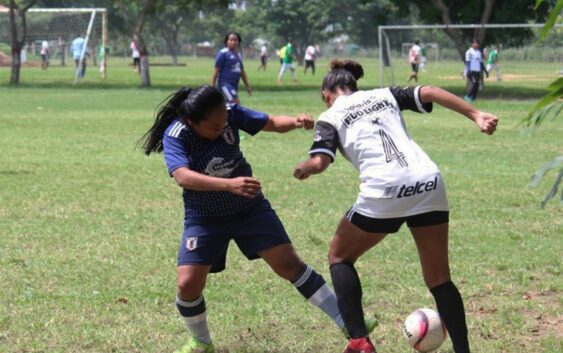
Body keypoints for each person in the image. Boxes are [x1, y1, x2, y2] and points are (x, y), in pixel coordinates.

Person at [140, 85, 376, 353]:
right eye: (215, 126)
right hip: (205, 217)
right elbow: (182, 176)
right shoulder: (177, 134)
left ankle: (348, 322)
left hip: (250, 209)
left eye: (224, 122)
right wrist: (229, 185)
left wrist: (296, 122)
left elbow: (270, 122)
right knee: (187, 284)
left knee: (290, 264)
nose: (223, 127)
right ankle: (201, 342)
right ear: (192, 123)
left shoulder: (229, 113)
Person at [293, 60, 498, 353]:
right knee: (440, 278)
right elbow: (429, 91)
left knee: (339, 256)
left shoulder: (330, 116)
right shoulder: (384, 94)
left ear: (326, 94)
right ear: (353, 87)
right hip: (428, 182)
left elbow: (319, 162)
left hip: (384, 191)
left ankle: (359, 341)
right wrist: (476, 114)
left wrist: (303, 167)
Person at [211, 31, 252, 104]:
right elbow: (215, 72)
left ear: (238, 42)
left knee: (227, 107)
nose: (233, 42)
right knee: (236, 104)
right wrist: (212, 88)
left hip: (234, 85)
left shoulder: (238, 55)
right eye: (231, 40)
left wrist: (247, 86)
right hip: (225, 85)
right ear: (226, 42)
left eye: (235, 40)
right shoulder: (223, 53)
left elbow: (241, 71)